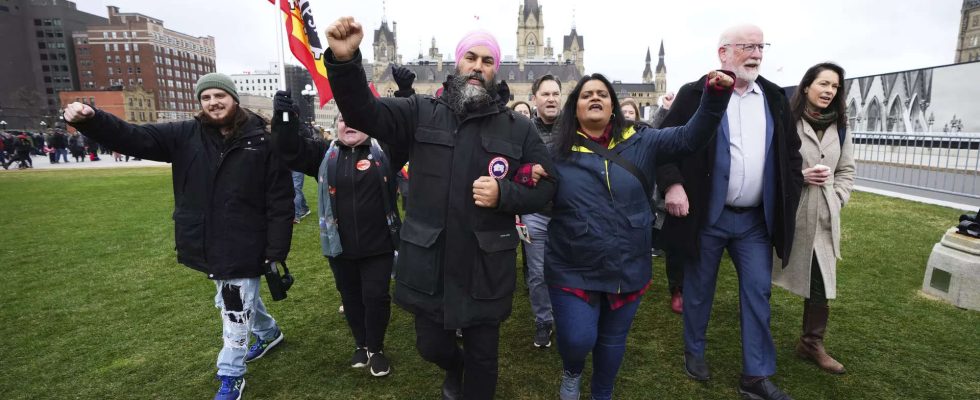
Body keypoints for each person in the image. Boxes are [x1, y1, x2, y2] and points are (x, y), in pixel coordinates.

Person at [324, 18, 557, 400]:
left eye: (486, 60)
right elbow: (363, 113)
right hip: (429, 261)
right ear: (457, 63)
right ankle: (454, 366)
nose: (478, 66)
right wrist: (345, 61)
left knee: (484, 361)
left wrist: (506, 195)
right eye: (471, 57)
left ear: (495, 69)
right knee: (430, 346)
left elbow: (548, 187)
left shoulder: (518, 128)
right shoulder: (420, 111)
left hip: (485, 266)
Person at [63, 72, 294, 400]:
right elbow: (133, 137)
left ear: (233, 98)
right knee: (237, 297)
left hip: (245, 240)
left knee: (233, 307)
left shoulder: (263, 139)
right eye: (206, 97)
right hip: (205, 237)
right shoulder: (186, 134)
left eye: (219, 95)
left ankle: (231, 376)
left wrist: (276, 250)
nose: (213, 102)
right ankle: (269, 333)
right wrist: (93, 120)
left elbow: (280, 199)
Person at [545, 71, 734, 400]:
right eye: (587, 94)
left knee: (612, 339)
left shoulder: (643, 140)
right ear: (574, 107)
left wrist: (715, 98)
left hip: (626, 262)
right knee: (577, 338)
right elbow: (526, 184)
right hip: (572, 262)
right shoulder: (555, 152)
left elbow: (691, 137)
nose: (595, 98)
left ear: (613, 106)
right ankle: (572, 370)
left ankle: (602, 391)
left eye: (602, 94)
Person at [655, 24, 803, 400]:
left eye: (760, 46)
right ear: (723, 53)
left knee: (757, 292)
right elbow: (663, 147)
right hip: (707, 216)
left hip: (754, 220)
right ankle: (695, 350)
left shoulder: (773, 97)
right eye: (746, 47)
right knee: (699, 289)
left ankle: (756, 376)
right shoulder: (694, 94)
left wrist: (790, 193)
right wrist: (673, 184)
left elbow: (790, 153)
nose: (755, 53)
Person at [271, 94, 406, 378]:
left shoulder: (385, 152)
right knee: (351, 297)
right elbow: (288, 149)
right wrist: (285, 118)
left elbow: (405, 133)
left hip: (379, 246)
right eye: (344, 118)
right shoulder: (324, 153)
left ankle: (377, 348)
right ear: (336, 126)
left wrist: (404, 93)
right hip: (339, 247)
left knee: (376, 297)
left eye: (356, 118)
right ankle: (361, 344)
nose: (350, 123)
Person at [772, 62, 854, 375]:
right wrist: (799, 176)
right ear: (807, 86)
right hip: (788, 212)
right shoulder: (786, 122)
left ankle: (811, 342)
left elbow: (846, 170)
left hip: (823, 216)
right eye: (823, 84)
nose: (829, 91)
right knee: (762, 272)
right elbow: (773, 165)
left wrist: (838, 196)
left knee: (820, 282)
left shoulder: (842, 127)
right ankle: (754, 332)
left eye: (834, 86)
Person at [521, 73, 561, 348]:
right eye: (545, 94)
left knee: (569, 270)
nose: (551, 99)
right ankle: (543, 321)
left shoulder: (574, 129)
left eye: (555, 94)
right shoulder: (522, 131)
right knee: (537, 273)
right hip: (535, 214)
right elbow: (512, 168)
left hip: (568, 214)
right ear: (534, 99)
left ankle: (569, 317)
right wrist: (527, 173)